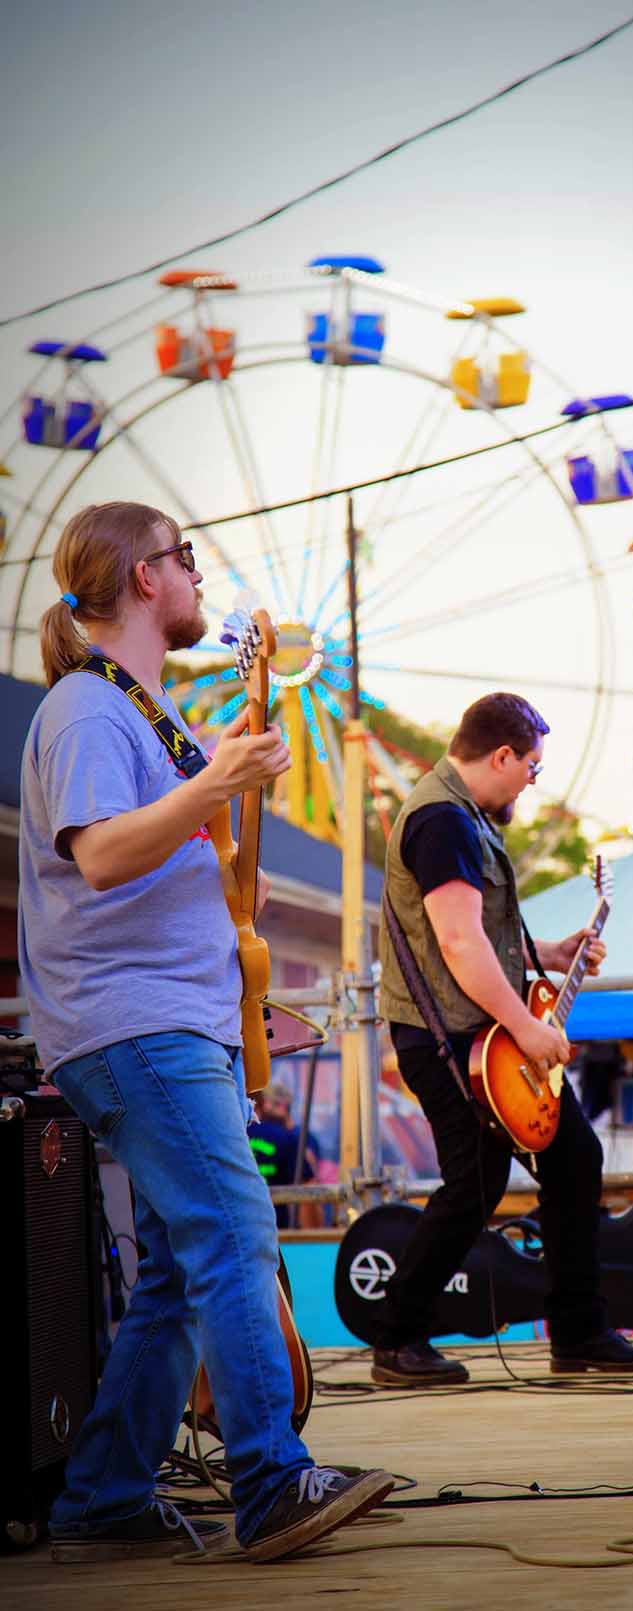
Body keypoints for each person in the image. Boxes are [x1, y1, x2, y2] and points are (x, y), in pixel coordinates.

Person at [18, 501, 393, 1563]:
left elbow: (163, 845)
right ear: (144, 577)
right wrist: (219, 785)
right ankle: (271, 1481)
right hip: (134, 1023)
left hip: (160, 1020)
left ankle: (101, 1499)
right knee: (233, 1237)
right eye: (185, 558)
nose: (196, 576)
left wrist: (222, 840)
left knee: (184, 1273)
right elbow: (97, 855)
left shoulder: (133, 712)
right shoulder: (91, 712)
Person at [372, 691, 633, 1385]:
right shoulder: (442, 819)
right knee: (475, 1180)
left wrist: (554, 952)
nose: (534, 781)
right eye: (531, 767)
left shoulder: (459, 813)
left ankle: (578, 1330)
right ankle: (397, 1336)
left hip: (471, 1033)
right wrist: (529, 1026)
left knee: (570, 1159)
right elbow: (457, 940)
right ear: (501, 755)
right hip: (448, 1036)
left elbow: (480, 933)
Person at [249, 1080, 320, 1230]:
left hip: (237, 1235)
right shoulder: (289, 1139)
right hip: (278, 1234)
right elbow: (308, 1192)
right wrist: (313, 1240)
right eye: (275, 1104)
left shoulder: (229, 1138)